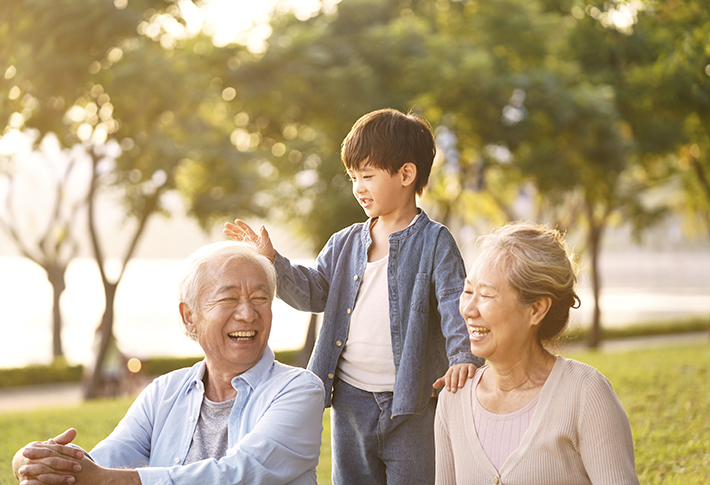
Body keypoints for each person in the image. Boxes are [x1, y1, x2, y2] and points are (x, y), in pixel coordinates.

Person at [224, 108, 483, 485]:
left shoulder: (435, 241)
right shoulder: (344, 242)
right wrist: (273, 261)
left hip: (411, 405)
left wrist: (463, 357)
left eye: (367, 176)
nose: (358, 187)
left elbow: (453, 303)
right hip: (349, 401)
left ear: (406, 175)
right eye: (352, 177)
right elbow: (313, 293)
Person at [13, 241, 325, 485]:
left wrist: (106, 479)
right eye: (229, 299)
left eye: (260, 299)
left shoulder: (299, 389)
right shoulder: (163, 391)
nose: (247, 313)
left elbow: (240, 473)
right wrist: (34, 461)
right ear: (190, 317)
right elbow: (103, 459)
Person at [434, 222, 639, 484]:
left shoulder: (586, 394)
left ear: (536, 309)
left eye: (485, 295)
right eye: (468, 291)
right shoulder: (454, 397)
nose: (468, 310)